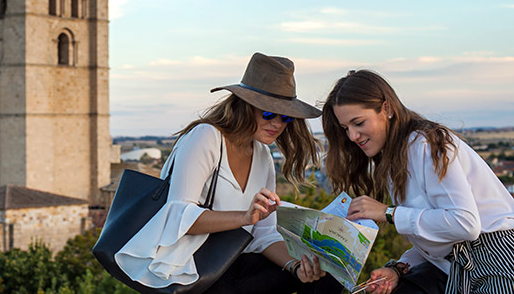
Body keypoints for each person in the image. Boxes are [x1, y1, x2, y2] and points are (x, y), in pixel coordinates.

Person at [115, 52, 342, 294]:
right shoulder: (206, 137)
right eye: (268, 113)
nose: (277, 123)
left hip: (235, 263)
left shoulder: (263, 155)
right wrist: (244, 217)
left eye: (285, 116)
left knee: (326, 277)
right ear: (245, 105)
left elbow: (263, 235)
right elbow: (178, 217)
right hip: (191, 265)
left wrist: (297, 266)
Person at [322, 69, 514, 294]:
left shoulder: (425, 145)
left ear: (387, 109)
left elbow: (465, 224)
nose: (353, 136)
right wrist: (400, 268)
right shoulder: (396, 157)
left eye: (359, 123)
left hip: (496, 261)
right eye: (346, 128)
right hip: (455, 266)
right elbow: (436, 235)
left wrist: (388, 213)